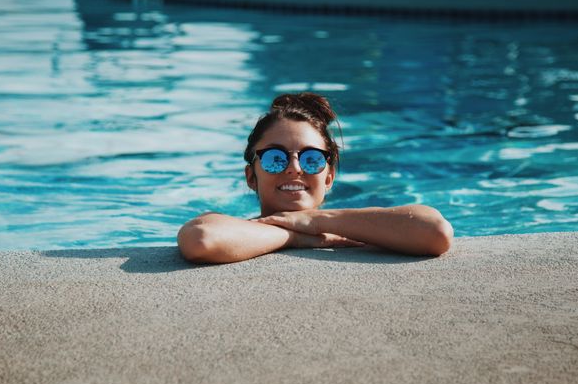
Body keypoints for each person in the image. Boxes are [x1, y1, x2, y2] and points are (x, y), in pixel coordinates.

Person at [178, 93, 453, 264]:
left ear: (329, 177)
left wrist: (315, 220)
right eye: (276, 158)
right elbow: (202, 238)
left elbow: (435, 232)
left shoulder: (364, 227)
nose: (294, 168)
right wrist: (296, 237)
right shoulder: (232, 228)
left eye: (312, 159)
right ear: (251, 176)